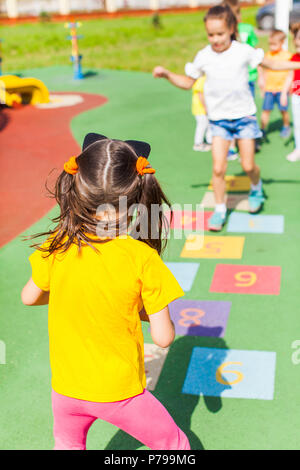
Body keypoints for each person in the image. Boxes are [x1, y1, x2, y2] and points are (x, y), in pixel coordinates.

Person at [21, 132, 191, 451]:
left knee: (68, 444)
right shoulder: (142, 258)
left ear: (76, 192)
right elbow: (164, 337)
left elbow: (29, 296)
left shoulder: (57, 243)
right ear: (137, 201)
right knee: (174, 445)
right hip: (120, 393)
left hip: (65, 390)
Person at [153, 4, 265, 231]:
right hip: (219, 122)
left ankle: (256, 187)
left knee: (248, 164)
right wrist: (166, 74)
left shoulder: (242, 51)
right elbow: (187, 82)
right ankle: (221, 209)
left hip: (244, 118)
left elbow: (269, 63)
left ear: (232, 29)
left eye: (220, 34)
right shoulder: (204, 56)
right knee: (218, 169)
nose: (215, 39)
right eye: (211, 34)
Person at [222, 0, 260, 158]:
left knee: (248, 109)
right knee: (229, 111)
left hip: (248, 77)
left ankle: (250, 139)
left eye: (236, 14)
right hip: (229, 80)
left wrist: (261, 75)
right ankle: (232, 145)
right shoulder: (223, 34)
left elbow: (255, 51)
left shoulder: (247, 29)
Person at [259, 29, 292, 140]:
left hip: (281, 90)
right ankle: (262, 129)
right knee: (266, 110)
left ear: (282, 42)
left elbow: (290, 73)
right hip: (269, 89)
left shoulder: (287, 56)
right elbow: (263, 70)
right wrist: (262, 84)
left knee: (283, 110)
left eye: (274, 44)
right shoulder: (268, 55)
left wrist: (288, 89)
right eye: (270, 44)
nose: (271, 47)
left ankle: (286, 126)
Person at [280, 23, 300, 162]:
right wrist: (283, 93)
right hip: (296, 96)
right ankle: (298, 148)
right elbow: (289, 76)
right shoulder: (294, 58)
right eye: (297, 38)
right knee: (298, 124)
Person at [192, 76, 212, 152]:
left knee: (208, 125)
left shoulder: (204, 78)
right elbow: (200, 94)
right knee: (202, 125)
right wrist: (205, 107)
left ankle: (208, 141)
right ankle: (198, 143)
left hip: (201, 108)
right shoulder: (202, 79)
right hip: (200, 109)